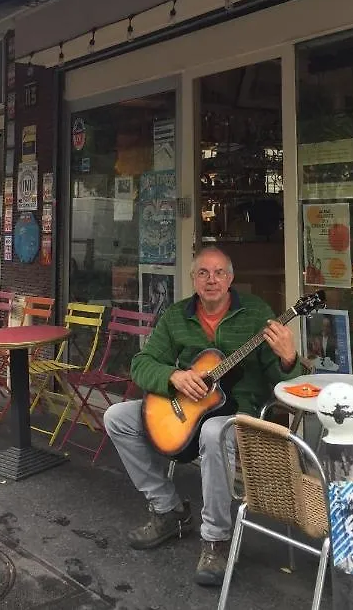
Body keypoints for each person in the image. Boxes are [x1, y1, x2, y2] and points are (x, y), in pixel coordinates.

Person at [104, 247, 301, 587]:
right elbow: (142, 363)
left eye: (219, 273)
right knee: (116, 416)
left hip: (236, 413)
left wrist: (288, 359)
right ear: (193, 279)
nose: (212, 280)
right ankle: (168, 510)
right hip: (182, 409)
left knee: (214, 431)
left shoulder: (258, 315)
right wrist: (173, 377)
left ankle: (215, 539)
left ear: (231, 278)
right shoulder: (176, 316)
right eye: (203, 273)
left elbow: (284, 384)